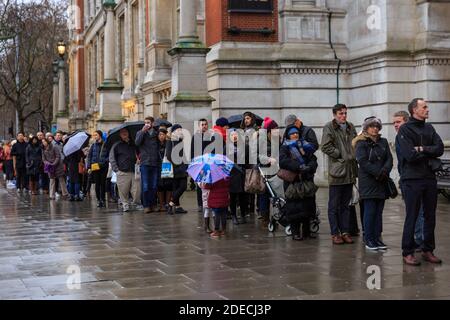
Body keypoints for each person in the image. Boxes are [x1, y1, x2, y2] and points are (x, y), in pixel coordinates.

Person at [397, 98, 444, 265]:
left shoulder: (429, 128)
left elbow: (439, 148)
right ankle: (407, 251)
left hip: (429, 178)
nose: (427, 109)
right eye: (424, 107)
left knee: (430, 216)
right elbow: (409, 155)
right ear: (414, 110)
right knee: (412, 215)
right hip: (412, 179)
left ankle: (428, 249)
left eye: (427, 107)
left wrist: (422, 149)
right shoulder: (405, 130)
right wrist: (426, 151)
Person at [353, 117, 393, 250]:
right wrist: (378, 172)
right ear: (366, 128)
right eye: (372, 126)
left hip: (382, 181)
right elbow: (363, 162)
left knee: (379, 212)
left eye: (377, 126)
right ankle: (369, 239)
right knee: (370, 211)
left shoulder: (383, 141)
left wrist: (385, 171)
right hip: (368, 181)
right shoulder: (361, 143)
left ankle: (377, 238)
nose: (375, 128)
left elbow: (389, 158)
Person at [321, 104, 358, 245]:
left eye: (345, 113)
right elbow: (325, 146)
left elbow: (354, 143)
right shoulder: (329, 127)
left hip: (350, 171)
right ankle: (335, 233)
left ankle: (345, 232)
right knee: (334, 205)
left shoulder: (350, 126)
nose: (343, 116)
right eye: (340, 114)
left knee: (346, 205)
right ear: (335, 115)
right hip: (337, 172)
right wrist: (340, 155)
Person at [280, 125, 318, 240]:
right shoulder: (284, 148)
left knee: (308, 205)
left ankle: (307, 231)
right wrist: (298, 167)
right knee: (294, 207)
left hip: (306, 180)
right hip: (293, 182)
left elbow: (313, 159)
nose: (295, 135)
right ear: (288, 135)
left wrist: (310, 167)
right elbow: (283, 161)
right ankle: (295, 232)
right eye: (292, 133)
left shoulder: (305, 145)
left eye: (296, 133)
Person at [393, 110, 425, 251]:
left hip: (416, 179)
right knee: (413, 212)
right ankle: (418, 238)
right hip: (406, 178)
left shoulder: (410, 135)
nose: (395, 125)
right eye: (394, 122)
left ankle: (420, 240)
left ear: (406, 121)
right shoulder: (399, 136)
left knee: (419, 212)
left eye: (398, 122)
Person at [109, 128, 141, 213]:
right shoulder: (116, 145)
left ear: (128, 133)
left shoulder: (134, 144)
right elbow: (112, 158)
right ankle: (125, 205)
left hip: (134, 171)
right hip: (122, 171)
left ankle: (135, 204)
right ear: (119, 134)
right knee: (123, 191)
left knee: (137, 190)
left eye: (126, 132)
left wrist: (139, 159)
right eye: (122, 132)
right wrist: (116, 170)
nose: (124, 133)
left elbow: (139, 153)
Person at [135, 117, 161, 214]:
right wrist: (142, 132)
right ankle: (146, 205)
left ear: (152, 124)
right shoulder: (140, 133)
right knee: (145, 185)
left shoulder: (156, 133)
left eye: (148, 123)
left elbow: (159, 146)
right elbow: (137, 143)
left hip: (154, 163)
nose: (146, 124)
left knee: (154, 186)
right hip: (145, 163)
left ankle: (153, 204)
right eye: (145, 122)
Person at [165, 124, 188, 214]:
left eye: (180, 130)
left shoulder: (181, 140)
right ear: (173, 132)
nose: (180, 131)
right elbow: (169, 155)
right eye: (177, 130)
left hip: (182, 168)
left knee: (178, 187)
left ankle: (177, 206)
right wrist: (178, 164)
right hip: (176, 168)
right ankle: (170, 204)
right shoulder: (170, 141)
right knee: (182, 187)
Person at [228, 129, 247, 225]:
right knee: (233, 197)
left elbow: (248, 160)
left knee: (243, 197)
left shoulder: (243, 147)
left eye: (236, 135)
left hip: (242, 174)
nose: (235, 136)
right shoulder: (227, 148)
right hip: (232, 175)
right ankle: (233, 215)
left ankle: (243, 214)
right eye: (232, 135)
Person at [191, 119, 211, 212]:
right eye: (202, 124)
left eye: (205, 124)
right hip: (200, 164)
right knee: (200, 185)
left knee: (210, 184)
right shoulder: (196, 137)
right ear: (199, 126)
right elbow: (192, 151)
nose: (204, 126)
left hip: (209, 163)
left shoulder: (211, 136)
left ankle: (209, 202)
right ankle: (200, 204)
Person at [87, 130, 109, 207]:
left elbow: (109, 156)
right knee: (97, 184)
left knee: (102, 183)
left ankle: (102, 199)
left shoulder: (106, 144)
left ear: (100, 135)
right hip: (95, 166)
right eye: (94, 135)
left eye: (96, 135)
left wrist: (104, 161)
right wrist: (89, 167)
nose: (94, 136)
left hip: (103, 167)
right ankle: (98, 199)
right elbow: (89, 156)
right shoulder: (93, 145)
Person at [157, 128, 172, 212]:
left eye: (163, 134)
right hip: (159, 166)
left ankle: (167, 203)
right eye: (159, 134)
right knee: (160, 186)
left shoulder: (168, 143)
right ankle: (161, 204)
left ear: (166, 135)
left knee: (168, 184)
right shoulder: (156, 144)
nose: (161, 136)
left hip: (167, 165)